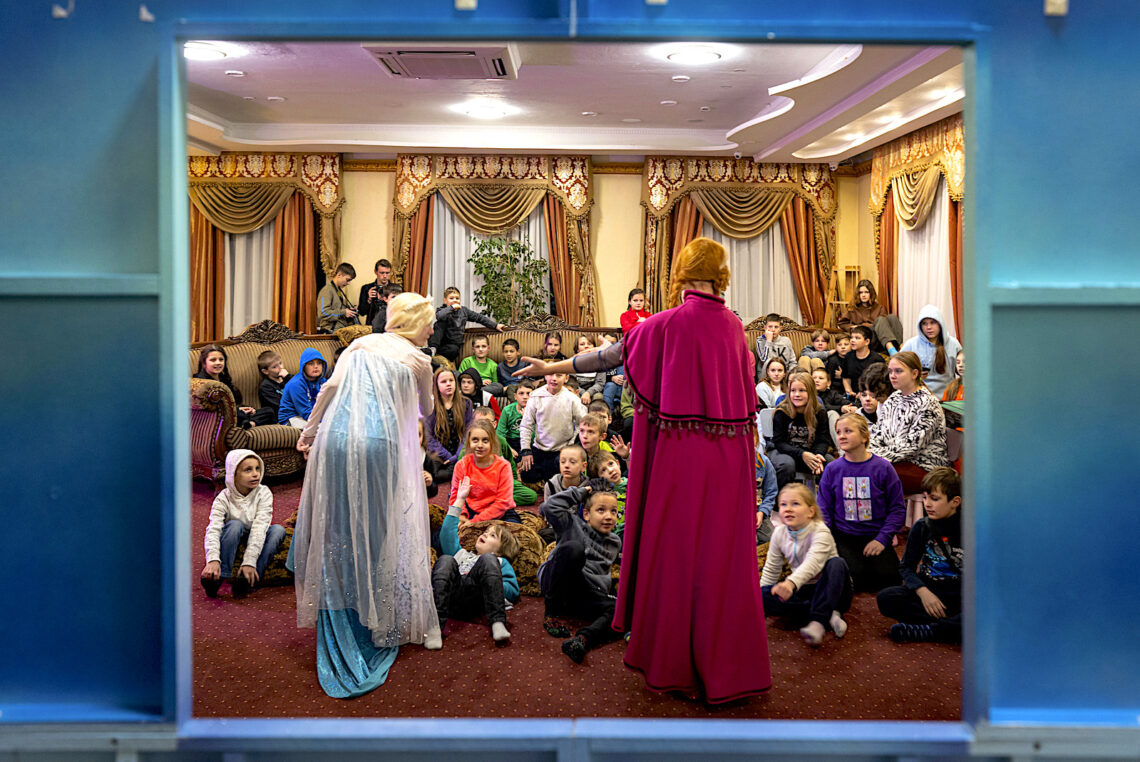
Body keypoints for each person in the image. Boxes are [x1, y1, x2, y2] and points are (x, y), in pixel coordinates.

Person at [514, 237, 772, 703]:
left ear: (680, 274)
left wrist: (548, 365)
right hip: (725, 465)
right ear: (722, 275)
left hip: (678, 463)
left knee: (675, 555)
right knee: (720, 559)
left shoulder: (664, 324)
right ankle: (723, 666)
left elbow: (608, 356)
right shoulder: (736, 329)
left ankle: (674, 660)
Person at [289, 292, 442, 699]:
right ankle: (372, 615)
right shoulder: (419, 360)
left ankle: (341, 606)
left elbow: (328, 394)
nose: (432, 329)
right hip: (379, 445)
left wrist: (308, 434)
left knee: (336, 527)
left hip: (335, 442)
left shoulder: (360, 344)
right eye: (429, 322)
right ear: (416, 323)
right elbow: (425, 409)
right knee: (377, 529)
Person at [817, 413, 906, 593]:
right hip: (844, 535)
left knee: (891, 581)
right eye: (838, 432)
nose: (841, 436)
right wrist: (828, 540)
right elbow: (823, 509)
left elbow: (897, 509)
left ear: (865, 436)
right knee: (852, 580)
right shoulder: (832, 469)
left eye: (848, 431)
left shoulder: (883, 467)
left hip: (875, 534)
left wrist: (882, 539)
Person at [538, 481, 624, 665]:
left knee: (623, 609)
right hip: (557, 582)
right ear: (586, 514)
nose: (608, 517)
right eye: (601, 510)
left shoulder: (615, 541)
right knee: (574, 548)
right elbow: (549, 506)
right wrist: (581, 491)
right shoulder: (571, 523)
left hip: (583, 592)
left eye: (613, 511)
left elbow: (605, 569)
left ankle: (582, 640)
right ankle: (551, 614)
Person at [877, 467, 964, 644]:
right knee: (886, 598)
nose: (927, 504)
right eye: (925, 497)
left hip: (959, 595)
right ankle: (950, 627)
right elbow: (906, 567)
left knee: (989, 610)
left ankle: (931, 631)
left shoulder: (971, 528)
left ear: (955, 501)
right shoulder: (921, 527)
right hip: (928, 590)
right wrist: (923, 592)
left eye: (935, 499)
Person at [760, 483, 852, 647]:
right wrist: (761, 597)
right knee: (760, 595)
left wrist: (790, 583)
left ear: (811, 511)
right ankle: (828, 614)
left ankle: (818, 621)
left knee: (837, 563)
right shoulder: (779, 533)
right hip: (803, 590)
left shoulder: (820, 530)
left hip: (832, 589)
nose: (788, 509)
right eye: (783, 504)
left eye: (795, 504)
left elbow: (813, 563)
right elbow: (771, 569)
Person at [200, 449, 286, 599]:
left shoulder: (264, 493)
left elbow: (260, 527)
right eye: (248, 470)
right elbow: (213, 528)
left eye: (258, 468)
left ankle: (250, 578)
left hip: (255, 536)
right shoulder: (223, 497)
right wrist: (212, 560)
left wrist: (249, 562)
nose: (255, 474)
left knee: (278, 530)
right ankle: (221, 575)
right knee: (235, 525)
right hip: (233, 536)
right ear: (233, 475)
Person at [432, 499, 519, 645]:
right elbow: (446, 535)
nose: (485, 535)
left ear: (500, 551)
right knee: (446, 559)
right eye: (486, 532)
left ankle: (497, 623)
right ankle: (435, 627)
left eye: (492, 536)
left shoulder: (498, 561)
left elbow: (512, 591)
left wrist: (490, 583)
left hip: (479, 599)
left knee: (487, 559)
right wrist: (458, 503)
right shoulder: (461, 553)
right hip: (451, 596)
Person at [869, 351, 950, 493]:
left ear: (914, 374)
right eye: (890, 371)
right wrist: (867, 454)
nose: (892, 376)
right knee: (850, 466)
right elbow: (877, 434)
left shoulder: (928, 403)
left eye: (898, 371)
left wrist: (874, 458)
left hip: (925, 467)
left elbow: (911, 448)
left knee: (870, 473)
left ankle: (888, 514)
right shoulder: (893, 399)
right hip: (893, 460)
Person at [447, 419, 521, 525]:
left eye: (485, 440)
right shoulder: (461, 465)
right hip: (470, 511)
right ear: (469, 442)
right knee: (444, 535)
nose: (480, 445)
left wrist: (475, 522)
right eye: (475, 440)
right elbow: (455, 494)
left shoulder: (503, 466)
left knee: (512, 536)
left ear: (492, 442)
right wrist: (462, 516)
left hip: (501, 513)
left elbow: (503, 502)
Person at [518, 371, 586, 483]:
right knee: (527, 475)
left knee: (556, 476)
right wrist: (526, 450)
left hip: (562, 449)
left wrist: (571, 444)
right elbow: (526, 425)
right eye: (550, 374)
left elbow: (582, 424)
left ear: (566, 378)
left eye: (559, 375)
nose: (554, 378)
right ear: (545, 375)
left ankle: (549, 481)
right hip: (539, 448)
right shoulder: (535, 396)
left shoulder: (572, 399)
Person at [770, 372, 832, 488]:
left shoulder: (820, 412)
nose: (797, 394)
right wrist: (802, 454)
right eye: (793, 390)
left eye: (802, 390)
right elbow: (779, 443)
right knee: (786, 465)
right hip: (784, 453)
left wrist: (818, 455)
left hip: (811, 454)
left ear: (811, 392)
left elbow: (823, 440)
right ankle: (781, 503)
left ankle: (825, 504)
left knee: (830, 464)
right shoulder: (782, 412)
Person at [194, 344, 274, 428]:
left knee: (269, 411)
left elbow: (233, 402)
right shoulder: (201, 382)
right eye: (213, 360)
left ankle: (250, 424)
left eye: (221, 359)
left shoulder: (224, 379)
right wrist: (237, 411)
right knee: (239, 415)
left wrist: (244, 409)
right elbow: (212, 409)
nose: (218, 363)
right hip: (217, 417)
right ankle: (246, 422)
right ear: (204, 363)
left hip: (235, 413)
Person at [899, 305, 963, 399]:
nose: (928, 327)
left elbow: (964, 370)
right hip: (920, 398)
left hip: (948, 398)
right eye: (924, 323)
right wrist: (914, 376)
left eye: (932, 323)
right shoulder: (911, 345)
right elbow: (898, 370)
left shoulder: (953, 344)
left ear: (940, 324)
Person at [428, 286, 501, 365]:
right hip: (440, 342)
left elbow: (479, 318)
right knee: (440, 323)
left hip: (452, 345)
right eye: (451, 298)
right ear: (445, 300)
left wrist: (495, 325)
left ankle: (434, 355)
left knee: (454, 350)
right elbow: (439, 316)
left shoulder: (464, 311)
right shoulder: (442, 310)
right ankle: (432, 349)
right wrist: (451, 308)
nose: (455, 300)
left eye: (457, 298)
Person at [424, 367, 473, 482]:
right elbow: (428, 437)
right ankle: (455, 471)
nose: (448, 384)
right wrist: (447, 456)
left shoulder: (466, 403)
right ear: (436, 385)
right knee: (433, 474)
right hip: (438, 454)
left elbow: (468, 432)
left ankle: (456, 469)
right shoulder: (431, 405)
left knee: (468, 467)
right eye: (443, 382)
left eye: (451, 380)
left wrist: (456, 456)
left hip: (460, 452)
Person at [837, 279, 904, 353]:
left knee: (892, 317)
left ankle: (900, 347)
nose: (863, 295)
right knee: (880, 319)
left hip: (880, 338)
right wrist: (856, 327)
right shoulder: (852, 308)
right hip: (868, 338)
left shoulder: (879, 307)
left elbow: (884, 327)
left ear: (871, 294)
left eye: (866, 292)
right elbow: (841, 323)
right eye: (861, 292)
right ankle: (892, 350)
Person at [278, 348, 328, 427]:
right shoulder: (296, 384)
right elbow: (305, 412)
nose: (316, 366)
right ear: (304, 366)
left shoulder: (323, 381)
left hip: (312, 415)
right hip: (292, 418)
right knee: (322, 428)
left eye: (319, 363)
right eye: (311, 364)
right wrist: (326, 421)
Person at [841, 325, 886, 398]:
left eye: (857, 338)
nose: (852, 340)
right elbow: (846, 377)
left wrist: (864, 393)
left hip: (871, 396)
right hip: (853, 395)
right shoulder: (848, 356)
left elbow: (879, 383)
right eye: (851, 337)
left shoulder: (877, 359)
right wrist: (848, 391)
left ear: (867, 341)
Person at [754, 313, 797, 384]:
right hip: (767, 376)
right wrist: (769, 341)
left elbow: (792, 361)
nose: (773, 329)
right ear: (765, 328)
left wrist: (790, 376)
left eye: (776, 327)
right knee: (769, 362)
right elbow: (765, 360)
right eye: (770, 327)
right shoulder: (760, 341)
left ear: (780, 329)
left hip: (784, 374)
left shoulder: (786, 341)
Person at [316, 262, 358, 332]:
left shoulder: (338, 291)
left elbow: (337, 311)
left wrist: (349, 312)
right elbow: (323, 313)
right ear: (339, 275)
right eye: (347, 280)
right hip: (330, 332)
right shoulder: (327, 290)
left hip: (339, 331)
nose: (348, 283)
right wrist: (344, 312)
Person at [496, 378, 533, 456]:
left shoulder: (537, 411)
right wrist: (509, 449)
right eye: (521, 393)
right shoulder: (507, 410)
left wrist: (526, 419)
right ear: (515, 396)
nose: (525, 397)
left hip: (530, 442)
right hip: (511, 441)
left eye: (528, 393)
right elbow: (500, 434)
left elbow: (537, 436)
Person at [358, 258, 392, 327]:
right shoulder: (366, 288)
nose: (385, 276)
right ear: (375, 272)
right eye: (382, 273)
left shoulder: (395, 289)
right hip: (372, 327)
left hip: (390, 327)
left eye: (387, 273)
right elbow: (361, 312)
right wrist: (369, 300)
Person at [256, 350, 290, 417]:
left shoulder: (287, 379)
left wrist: (288, 377)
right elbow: (280, 407)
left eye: (280, 363)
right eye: (275, 367)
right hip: (282, 416)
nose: (281, 368)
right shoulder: (266, 387)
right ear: (265, 371)